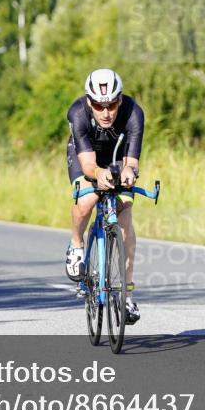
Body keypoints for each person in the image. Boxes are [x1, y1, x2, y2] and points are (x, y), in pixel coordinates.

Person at [64, 68, 145, 324]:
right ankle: (77, 245)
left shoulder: (134, 113)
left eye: (111, 104)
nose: (106, 112)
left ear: (120, 99)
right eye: (99, 106)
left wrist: (130, 172)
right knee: (87, 198)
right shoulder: (78, 113)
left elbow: (131, 161)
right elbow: (88, 166)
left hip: (116, 156)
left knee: (124, 217)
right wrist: (97, 174)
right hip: (86, 157)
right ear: (90, 102)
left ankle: (127, 295)